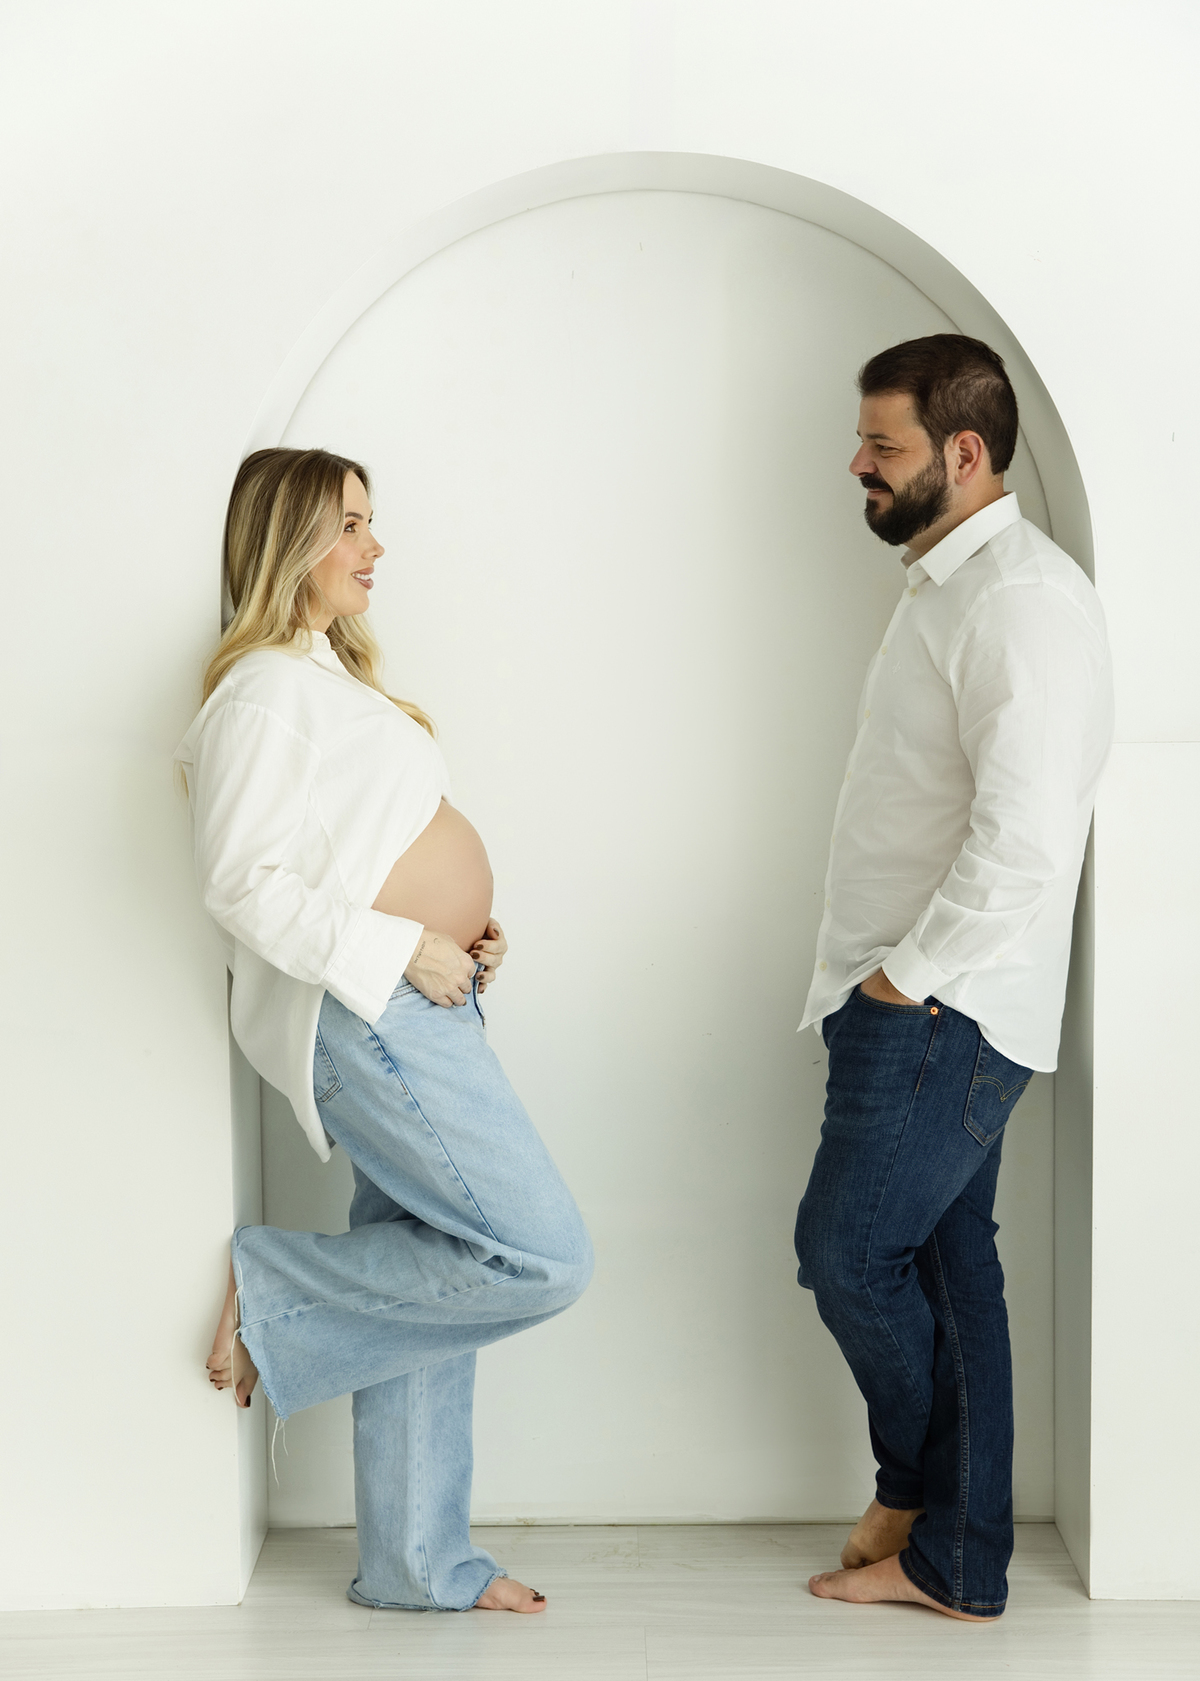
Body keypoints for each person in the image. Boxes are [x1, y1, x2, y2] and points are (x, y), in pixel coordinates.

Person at [174, 447, 592, 1615]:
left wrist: (462, 934)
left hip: (420, 1001)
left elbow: (362, 853)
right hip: (370, 1011)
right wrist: (405, 945)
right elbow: (240, 880)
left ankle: (416, 1563)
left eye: (371, 521)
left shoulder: (330, 681)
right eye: (350, 524)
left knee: (438, 1255)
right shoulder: (262, 689)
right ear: (287, 541)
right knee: (543, 1256)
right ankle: (275, 1286)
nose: (375, 545)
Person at [793, 336, 1112, 1621]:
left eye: (884, 445)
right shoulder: (952, 587)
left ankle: (919, 1502)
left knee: (845, 1253)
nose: (857, 466)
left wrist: (903, 980)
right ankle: (959, 1559)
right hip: (918, 997)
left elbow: (1026, 839)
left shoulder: (1017, 601)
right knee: (945, 1265)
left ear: (964, 453)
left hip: (940, 1006)